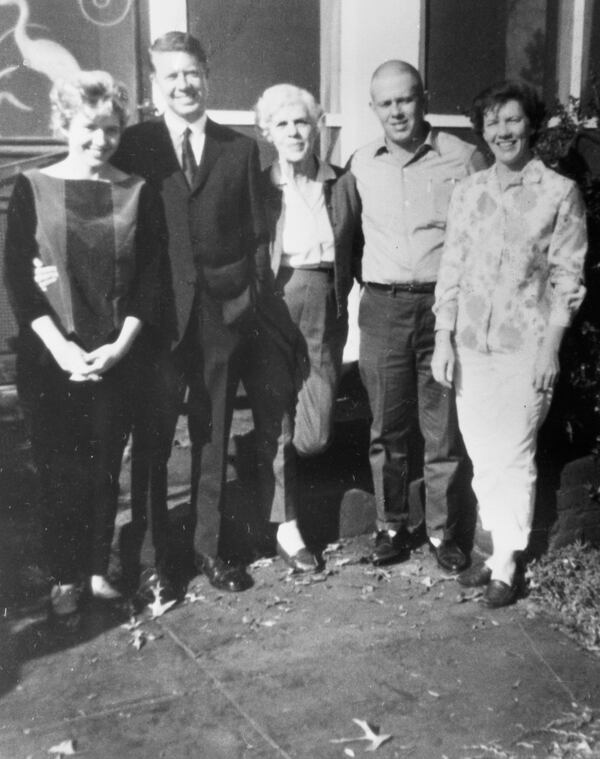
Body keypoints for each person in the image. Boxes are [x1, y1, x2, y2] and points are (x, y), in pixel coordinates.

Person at [110, 31, 273, 593]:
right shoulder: (135, 146)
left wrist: (243, 301)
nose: (184, 84)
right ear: (156, 85)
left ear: (208, 76)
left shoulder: (240, 148)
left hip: (221, 320)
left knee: (213, 434)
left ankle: (209, 549)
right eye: (171, 75)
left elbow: (257, 237)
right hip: (156, 321)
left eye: (192, 72)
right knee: (153, 441)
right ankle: (155, 562)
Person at [4, 71, 164, 617]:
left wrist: (121, 345)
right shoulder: (32, 186)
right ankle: (64, 576)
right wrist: (62, 349)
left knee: (103, 471)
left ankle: (96, 571)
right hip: (52, 358)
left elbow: (152, 277)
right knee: (58, 470)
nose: (101, 140)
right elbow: (20, 284)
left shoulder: (137, 191)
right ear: (65, 125)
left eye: (112, 130)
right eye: (89, 128)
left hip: (116, 355)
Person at [432, 81, 587, 607]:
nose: (502, 132)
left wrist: (551, 350)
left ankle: (505, 564)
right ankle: (497, 548)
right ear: (483, 130)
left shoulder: (559, 194)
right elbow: (450, 270)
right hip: (472, 344)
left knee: (514, 454)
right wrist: (443, 340)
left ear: (532, 125)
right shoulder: (468, 192)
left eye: (513, 121)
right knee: (482, 455)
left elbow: (568, 278)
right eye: (493, 123)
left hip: (526, 347)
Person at [347, 60, 486, 570]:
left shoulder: (464, 157)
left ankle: (442, 532)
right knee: (386, 426)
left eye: (405, 99)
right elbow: (349, 234)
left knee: (442, 427)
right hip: (383, 307)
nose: (397, 111)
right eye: (386, 103)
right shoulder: (360, 164)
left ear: (423, 98)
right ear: (373, 109)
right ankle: (390, 526)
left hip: (443, 311)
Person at [254, 83, 362, 571]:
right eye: (283, 123)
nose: (294, 131)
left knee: (313, 433)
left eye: (302, 122)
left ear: (316, 127)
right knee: (277, 415)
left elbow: (357, 245)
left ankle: (282, 484)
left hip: (324, 301)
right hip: (273, 300)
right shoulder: (259, 186)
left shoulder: (340, 183)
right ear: (267, 133)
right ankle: (287, 526)